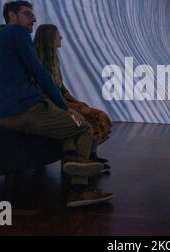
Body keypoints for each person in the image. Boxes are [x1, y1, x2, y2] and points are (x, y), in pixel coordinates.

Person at [0, 1, 113, 207]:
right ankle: (78, 190)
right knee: (85, 128)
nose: (33, 19)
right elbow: (40, 72)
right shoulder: (18, 33)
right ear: (12, 16)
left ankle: (73, 159)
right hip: (30, 109)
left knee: (71, 132)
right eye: (27, 14)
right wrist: (65, 107)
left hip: (7, 117)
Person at [33, 24, 113, 168]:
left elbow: (60, 87)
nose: (61, 37)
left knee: (94, 114)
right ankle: (84, 159)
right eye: (58, 35)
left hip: (60, 101)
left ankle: (91, 155)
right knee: (96, 117)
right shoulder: (39, 62)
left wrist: (76, 101)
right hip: (52, 104)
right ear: (50, 38)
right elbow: (46, 91)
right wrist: (70, 105)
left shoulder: (53, 60)